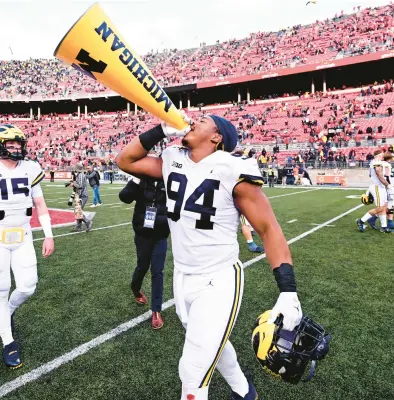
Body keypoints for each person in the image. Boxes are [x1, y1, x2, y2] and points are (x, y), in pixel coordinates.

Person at [116, 114, 302, 400]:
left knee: (191, 374)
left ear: (216, 137)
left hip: (218, 279)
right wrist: (158, 131)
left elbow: (268, 228)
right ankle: (244, 391)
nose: (191, 121)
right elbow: (125, 161)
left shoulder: (232, 169)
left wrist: (288, 290)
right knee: (213, 341)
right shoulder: (173, 159)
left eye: (201, 120)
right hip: (182, 275)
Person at [0, 124, 55, 369]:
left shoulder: (31, 168)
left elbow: (40, 204)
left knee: (28, 286)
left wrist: (49, 235)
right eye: (10, 144)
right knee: (1, 288)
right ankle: (8, 341)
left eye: (18, 144)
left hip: (23, 234)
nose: (15, 148)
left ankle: (7, 313)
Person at [119, 173, 169, 330]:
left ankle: (156, 310)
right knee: (142, 266)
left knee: (157, 271)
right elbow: (124, 197)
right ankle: (135, 288)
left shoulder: (169, 180)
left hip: (161, 234)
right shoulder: (140, 180)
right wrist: (136, 179)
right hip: (142, 233)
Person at [357, 150, 390, 233]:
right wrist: (387, 185)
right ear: (378, 155)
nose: (383, 156)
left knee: (384, 207)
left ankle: (384, 227)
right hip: (377, 187)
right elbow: (379, 174)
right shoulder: (375, 162)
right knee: (379, 208)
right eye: (382, 155)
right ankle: (361, 221)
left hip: (380, 187)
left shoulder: (378, 162)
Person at [69, 163, 93, 232]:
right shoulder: (80, 175)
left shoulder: (81, 175)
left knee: (78, 211)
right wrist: (73, 182)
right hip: (80, 195)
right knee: (78, 211)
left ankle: (88, 222)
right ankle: (78, 227)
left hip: (82, 195)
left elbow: (80, 186)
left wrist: (73, 184)